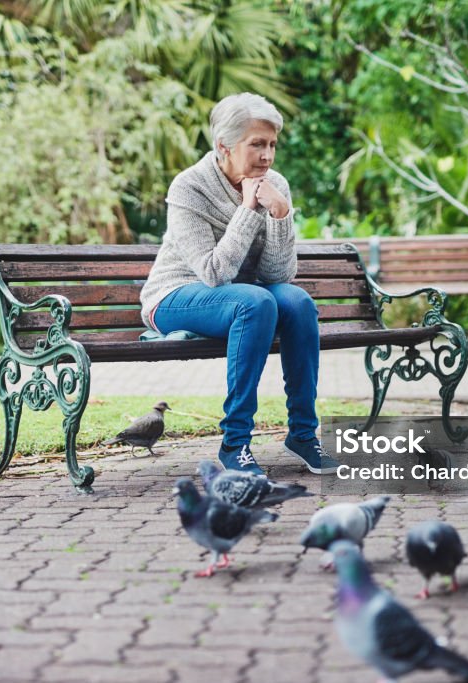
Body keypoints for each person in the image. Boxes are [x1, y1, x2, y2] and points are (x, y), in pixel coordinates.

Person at [139, 93, 340, 476]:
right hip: (175, 296)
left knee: (296, 301)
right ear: (224, 146)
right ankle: (235, 441)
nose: (267, 156)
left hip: (243, 296)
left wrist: (280, 215)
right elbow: (213, 272)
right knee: (255, 303)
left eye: (272, 145)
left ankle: (302, 433)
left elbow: (279, 277)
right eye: (257, 144)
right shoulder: (189, 187)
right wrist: (248, 210)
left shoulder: (274, 184)